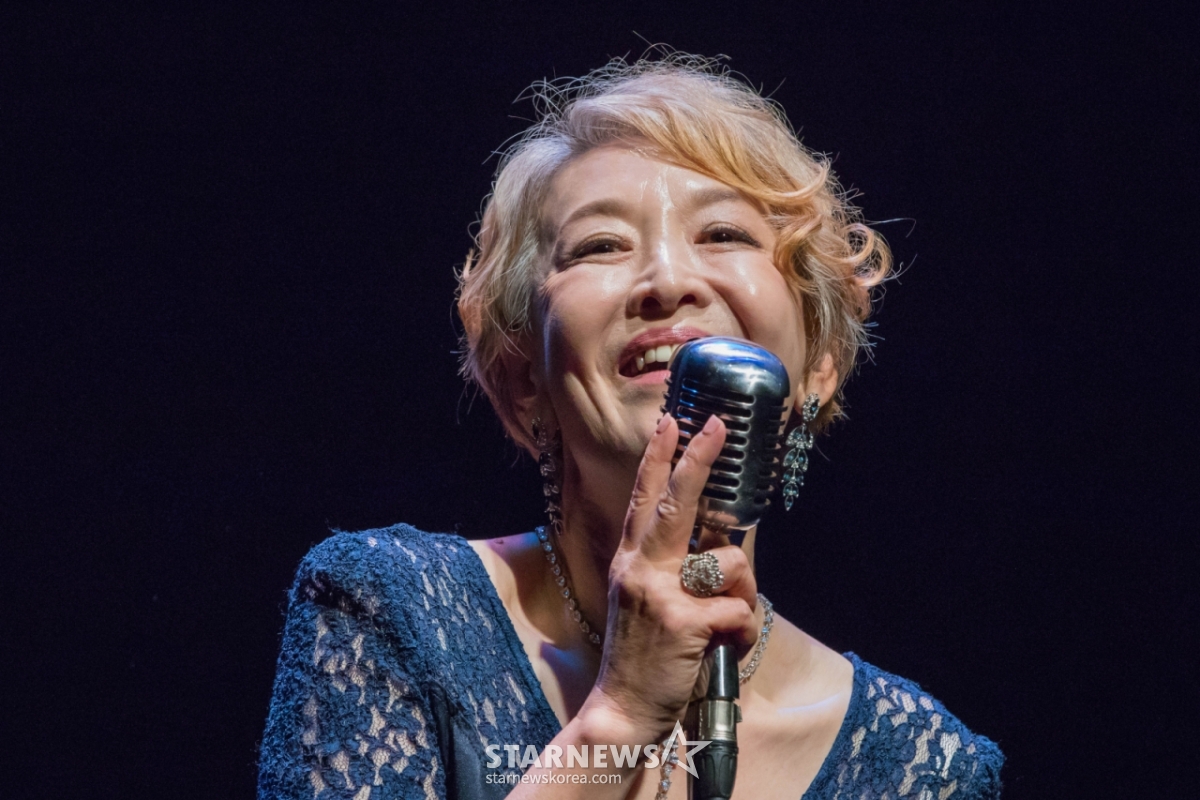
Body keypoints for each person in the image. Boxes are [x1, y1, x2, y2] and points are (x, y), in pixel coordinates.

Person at [257, 55, 1004, 799]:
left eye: (724, 233)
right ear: (523, 375)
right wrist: (620, 714)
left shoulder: (926, 768)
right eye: (601, 245)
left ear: (820, 363)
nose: (668, 282)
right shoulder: (388, 611)